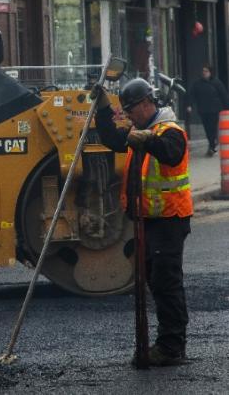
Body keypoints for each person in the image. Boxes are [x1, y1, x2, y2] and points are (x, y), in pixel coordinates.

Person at [93, 78, 192, 367]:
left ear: (146, 104)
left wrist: (147, 140)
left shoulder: (170, 131)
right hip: (150, 220)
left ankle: (171, 347)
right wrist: (103, 109)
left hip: (169, 220)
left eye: (130, 110)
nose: (128, 116)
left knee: (166, 283)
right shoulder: (143, 130)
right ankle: (167, 344)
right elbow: (112, 139)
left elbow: (171, 154)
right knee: (155, 281)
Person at [187, 64, 229, 156]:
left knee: (212, 127)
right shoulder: (197, 83)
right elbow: (192, 95)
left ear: (210, 72)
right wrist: (190, 105)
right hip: (203, 109)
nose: (204, 73)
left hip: (214, 110)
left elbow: (223, 95)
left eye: (206, 71)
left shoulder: (216, 83)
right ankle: (212, 144)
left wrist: (226, 108)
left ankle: (212, 146)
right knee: (207, 128)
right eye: (203, 71)